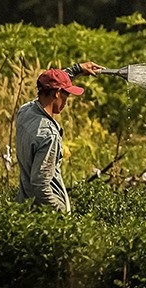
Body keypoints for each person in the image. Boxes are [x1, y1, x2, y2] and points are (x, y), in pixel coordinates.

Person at [14, 62, 103, 212]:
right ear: (57, 93)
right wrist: (61, 214)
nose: (67, 100)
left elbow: (50, 82)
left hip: (24, 206)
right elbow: (41, 185)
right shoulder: (48, 135)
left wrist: (77, 69)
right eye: (66, 94)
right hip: (44, 216)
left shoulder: (25, 112)